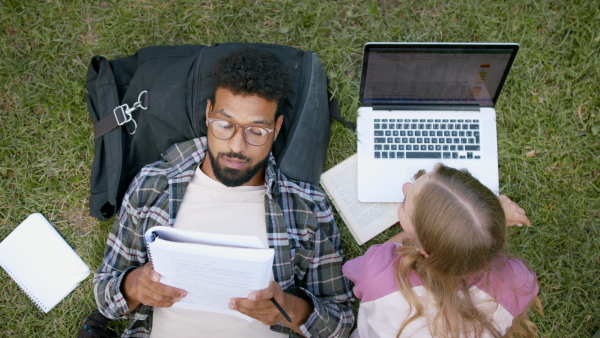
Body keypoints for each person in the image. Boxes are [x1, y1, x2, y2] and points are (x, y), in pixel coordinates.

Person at [93, 47, 354, 337]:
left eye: (256, 130)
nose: (237, 146)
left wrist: (287, 309)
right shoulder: (155, 183)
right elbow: (105, 294)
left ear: (277, 128)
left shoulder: (307, 205)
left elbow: (340, 323)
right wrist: (135, 285)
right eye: (225, 124)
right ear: (208, 115)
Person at [342, 164, 541, 338]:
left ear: (423, 248)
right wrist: (481, 223)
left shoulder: (379, 271)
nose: (405, 186)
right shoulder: (517, 281)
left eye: (404, 205)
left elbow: (360, 269)